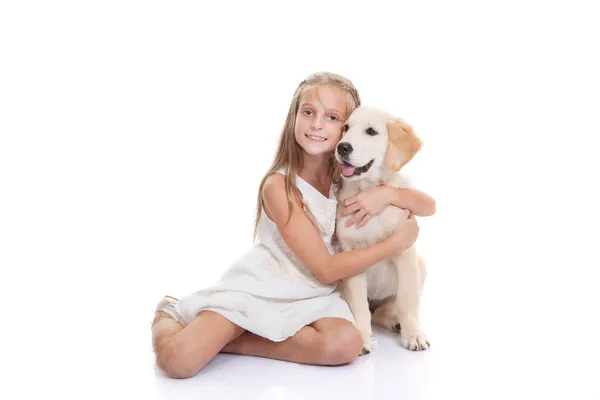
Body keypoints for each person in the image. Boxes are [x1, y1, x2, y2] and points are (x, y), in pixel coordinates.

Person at [151, 72, 436, 379]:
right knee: (178, 361)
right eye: (308, 112)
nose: (316, 124)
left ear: (344, 128)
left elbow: (429, 205)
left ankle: (241, 340)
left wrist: (388, 194)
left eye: (331, 117)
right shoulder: (280, 186)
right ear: (294, 118)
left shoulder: (347, 175)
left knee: (345, 345)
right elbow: (326, 267)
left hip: (318, 294)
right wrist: (393, 245)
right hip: (269, 286)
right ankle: (171, 312)